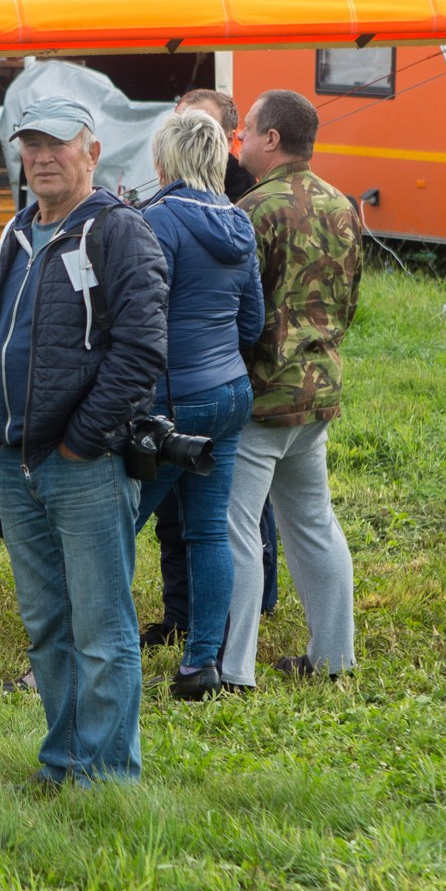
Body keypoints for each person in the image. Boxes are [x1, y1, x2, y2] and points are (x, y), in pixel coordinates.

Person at [0, 95, 167, 786]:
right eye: (31, 145)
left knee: (101, 629)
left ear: (92, 152)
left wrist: (81, 441)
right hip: (14, 463)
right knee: (48, 624)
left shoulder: (119, 232)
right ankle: (66, 762)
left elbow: (140, 351)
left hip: (83, 465)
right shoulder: (19, 231)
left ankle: (108, 776)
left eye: (58, 144)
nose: (43, 157)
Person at [222, 89, 362, 688]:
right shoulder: (343, 205)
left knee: (236, 530)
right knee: (313, 524)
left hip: (262, 397)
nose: (240, 141)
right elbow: (349, 303)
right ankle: (334, 657)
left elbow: (236, 311)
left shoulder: (253, 210)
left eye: (247, 131)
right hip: (317, 392)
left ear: (271, 139)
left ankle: (234, 670)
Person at [138, 90, 278, 651]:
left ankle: (89, 647)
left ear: (163, 162)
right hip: (230, 394)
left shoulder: (155, 221)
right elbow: (252, 323)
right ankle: (202, 661)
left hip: (173, 398)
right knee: (209, 530)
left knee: (114, 527)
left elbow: (141, 319)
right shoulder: (239, 222)